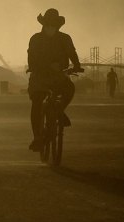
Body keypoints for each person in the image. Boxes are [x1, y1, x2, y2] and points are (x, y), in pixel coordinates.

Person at [27, 8, 83, 152]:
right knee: (37, 102)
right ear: (44, 25)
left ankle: (59, 110)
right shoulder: (35, 39)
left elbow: (72, 53)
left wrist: (77, 66)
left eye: (54, 26)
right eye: (48, 25)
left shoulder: (65, 38)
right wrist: (46, 66)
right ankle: (37, 137)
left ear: (58, 26)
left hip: (59, 77)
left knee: (69, 89)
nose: (51, 28)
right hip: (39, 77)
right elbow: (32, 59)